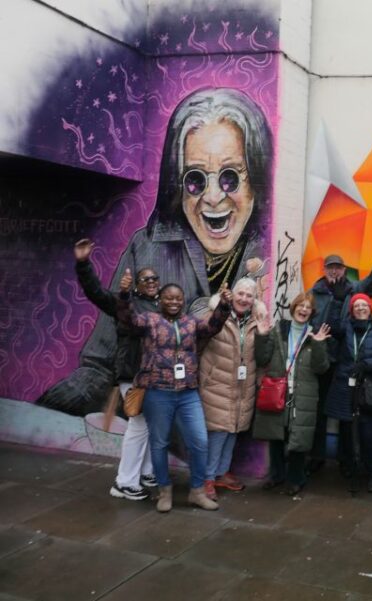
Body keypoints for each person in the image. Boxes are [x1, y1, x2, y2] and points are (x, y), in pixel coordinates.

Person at [38, 87, 272, 417]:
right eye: (195, 180)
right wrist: (47, 417)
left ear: (256, 181)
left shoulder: (268, 253)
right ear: (177, 184)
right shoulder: (146, 246)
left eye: (230, 177)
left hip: (227, 411)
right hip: (158, 401)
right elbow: (100, 362)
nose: (213, 197)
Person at [117, 271, 233, 512]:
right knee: (159, 443)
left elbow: (213, 326)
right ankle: (164, 491)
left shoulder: (191, 322)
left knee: (200, 442)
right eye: (168, 298)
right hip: (158, 392)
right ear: (160, 300)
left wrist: (224, 303)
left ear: (183, 300)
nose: (173, 302)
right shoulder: (149, 320)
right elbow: (127, 319)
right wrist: (125, 294)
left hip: (188, 393)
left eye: (178, 298)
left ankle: (197, 491)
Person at [73, 238, 158, 501]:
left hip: (153, 376)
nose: (152, 282)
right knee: (139, 424)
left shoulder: (162, 306)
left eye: (155, 278)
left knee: (149, 424)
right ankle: (125, 482)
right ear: (137, 284)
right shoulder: (124, 303)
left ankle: (145, 472)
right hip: (131, 373)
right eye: (146, 279)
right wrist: (83, 263)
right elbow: (95, 292)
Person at [306, 234, 372, 475]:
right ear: (324, 270)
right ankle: (317, 456)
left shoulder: (355, 289)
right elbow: (305, 319)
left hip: (346, 361)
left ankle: (346, 458)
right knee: (320, 410)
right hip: (323, 359)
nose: (334, 271)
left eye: (338, 267)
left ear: (344, 270)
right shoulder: (314, 292)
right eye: (330, 267)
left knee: (347, 412)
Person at [253, 292, 331, 496]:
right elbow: (262, 358)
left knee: (298, 439)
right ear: (293, 307)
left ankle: (296, 479)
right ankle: (276, 475)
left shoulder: (315, 334)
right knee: (276, 436)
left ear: (312, 313)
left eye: (308, 307)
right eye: (300, 305)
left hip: (303, 393)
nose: (304, 310)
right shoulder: (279, 329)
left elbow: (321, 368)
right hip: (277, 390)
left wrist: (320, 344)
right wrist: (261, 336)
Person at [198, 277, 267, 500]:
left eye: (250, 295)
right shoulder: (214, 315)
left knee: (233, 431)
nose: (244, 299)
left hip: (242, 387)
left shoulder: (257, 320)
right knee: (219, 432)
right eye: (241, 294)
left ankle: (220, 472)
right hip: (216, 385)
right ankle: (206, 479)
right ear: (232, 295)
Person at [324, 293, 372, 493]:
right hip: (345, 386)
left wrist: (366, 365)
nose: (361, 308)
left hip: (368, 388)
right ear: (352, 310)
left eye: (365, 305)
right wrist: (337, 301)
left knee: (368, 433)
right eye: (357, 306)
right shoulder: (345, 328)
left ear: (370, 309)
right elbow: (330, 325)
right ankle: (348, 466)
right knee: (346, 431)